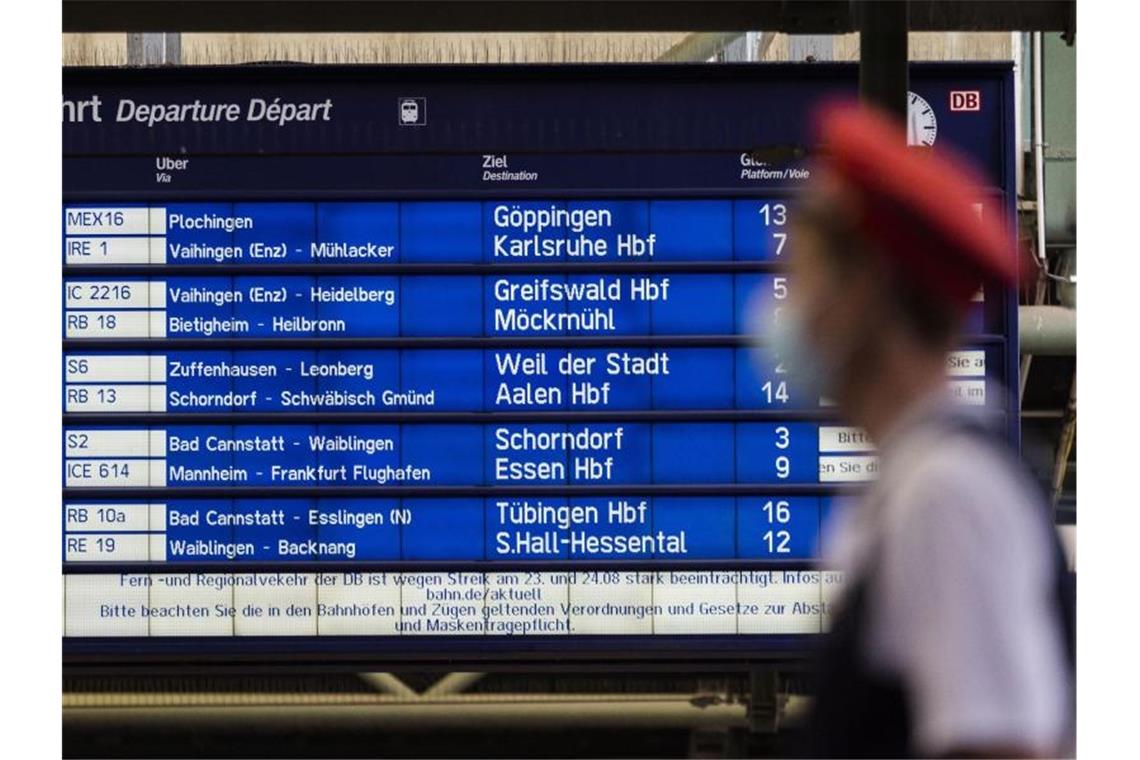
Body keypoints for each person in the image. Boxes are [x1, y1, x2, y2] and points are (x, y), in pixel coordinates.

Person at [762, 103, 1075, 758]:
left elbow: (1001, 748)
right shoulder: (920, 481)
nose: (777, 309)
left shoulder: (947, 494)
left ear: (863, 289)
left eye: (798, 278)